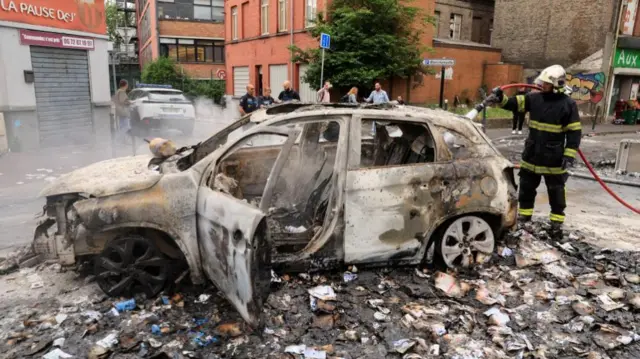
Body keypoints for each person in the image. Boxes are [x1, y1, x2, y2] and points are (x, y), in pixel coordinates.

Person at [488, 65, 581, 238]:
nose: (541, 85)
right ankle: (524, 219)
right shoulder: (534, 98)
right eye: (542, 82)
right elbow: (513, 104)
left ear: (556, 85)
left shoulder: (568, 105)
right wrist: (501, 99)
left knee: (556, 192)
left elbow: (574, 132)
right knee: (526, 189)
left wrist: (569, 155)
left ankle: (556, 225)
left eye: (546, 83)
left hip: (554, 159)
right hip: (532, 155)